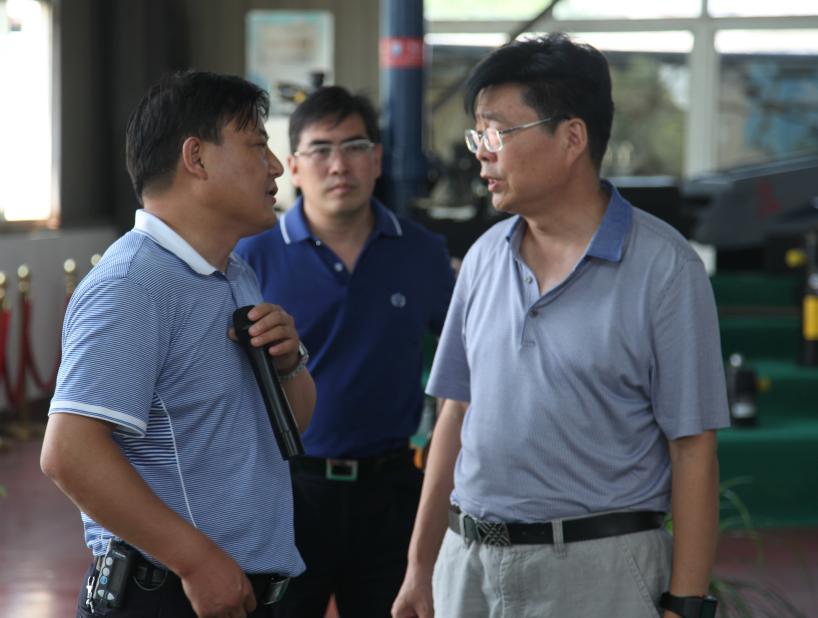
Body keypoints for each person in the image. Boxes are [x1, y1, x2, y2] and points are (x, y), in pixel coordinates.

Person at [392, 33, 730, 618]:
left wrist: (685, 603)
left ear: (573, 137)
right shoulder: (483, 257)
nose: (481, 154)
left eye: (497, 133)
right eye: (477, 135)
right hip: (468, 567)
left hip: (598, 573)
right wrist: (422, 568)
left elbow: (693, 447)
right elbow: (455, 413)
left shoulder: (665, 269)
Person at [40, 70, 316, 618]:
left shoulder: (234, 273)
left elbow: (287, 429)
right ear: (197, 158)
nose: (276, 166)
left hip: (236, 590)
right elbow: (68, 451)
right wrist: (195, 562)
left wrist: (288, 365)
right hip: (169, 594)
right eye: (257, 146)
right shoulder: (134, 283)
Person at [235, 85, 455, 618]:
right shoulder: (251, 256)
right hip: (287, 492)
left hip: (392, 495)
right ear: (293, 165)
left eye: (355, 147)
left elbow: (463, 366)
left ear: (376, 159)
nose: (339, 165)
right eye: (320, 149)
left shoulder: (422, 252)